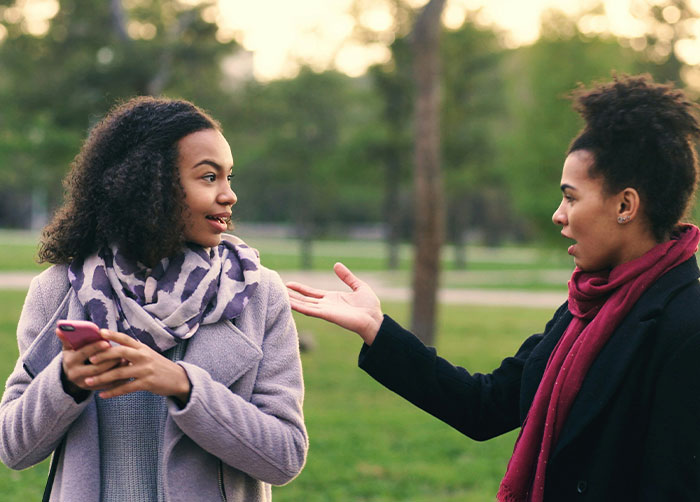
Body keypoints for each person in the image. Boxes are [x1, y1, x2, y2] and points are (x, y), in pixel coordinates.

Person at [286, 74, 700, 501]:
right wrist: (376, 328)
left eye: (571, 198)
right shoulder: (585, 309)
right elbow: (484, 406)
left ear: (625, 205)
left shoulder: (686, 329)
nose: (558, 214)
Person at [0, 97, 308, 501]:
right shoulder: (59, 289)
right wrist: (65, 381)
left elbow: (285, 456)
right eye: (209, 177)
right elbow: (13, 449)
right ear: (149, 185)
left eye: (229, 177)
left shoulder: (255, 292)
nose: (229, 195)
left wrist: (185, 387)